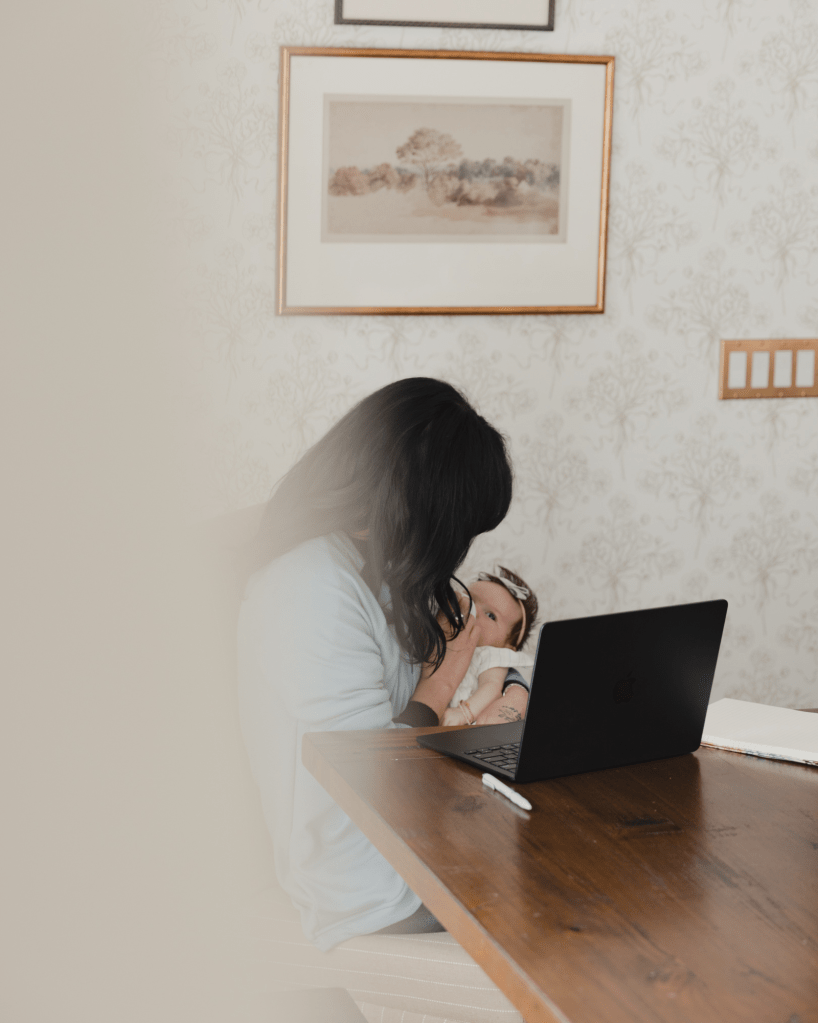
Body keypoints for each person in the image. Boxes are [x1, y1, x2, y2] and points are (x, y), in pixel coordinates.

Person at [236, 378, 529, 951]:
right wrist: (445, 684)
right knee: (584, 885)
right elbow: (372, 780)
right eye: (460, 528)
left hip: (413, 838)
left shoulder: (376, 570)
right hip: (370, 881)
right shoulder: (311, 588)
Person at [442, 567, 538, 728]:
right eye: (470, 600)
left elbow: (491, 687)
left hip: (467, 724)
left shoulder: (490, 655)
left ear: (508, 647)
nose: (473, 610)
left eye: (490, 615)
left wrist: (464, 713)